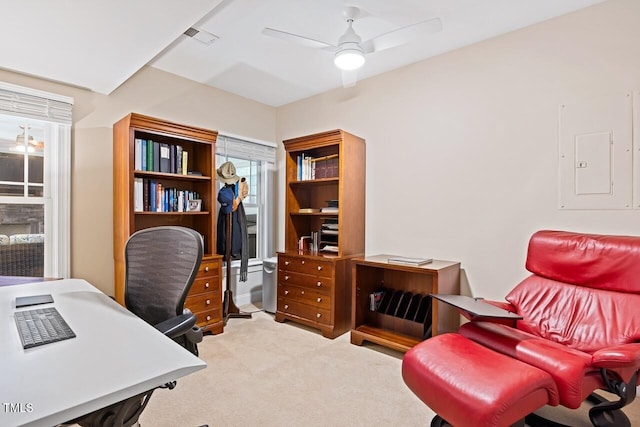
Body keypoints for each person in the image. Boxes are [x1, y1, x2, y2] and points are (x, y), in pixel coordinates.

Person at [216, 161, 249, 281]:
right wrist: (239, 196)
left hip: (233, 226)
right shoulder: (224, 193)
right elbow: (232, 207)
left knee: (232, 242)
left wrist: (241, 191)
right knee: (227, 242)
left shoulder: (232, 189)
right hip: (228, 226)